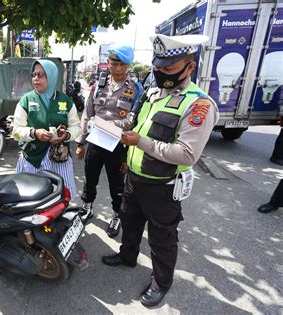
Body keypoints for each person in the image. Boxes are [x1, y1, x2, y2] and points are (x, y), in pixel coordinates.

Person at [101, 34, 219, 307]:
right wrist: (118, 134)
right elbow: (134, 124)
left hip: (163, 186)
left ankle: (161, 282)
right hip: (133, 177)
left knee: (162, 239)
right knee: (129, 220)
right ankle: (128, 256)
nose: (160, 73)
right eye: (158, 67)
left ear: (189, 67)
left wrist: (139, 142)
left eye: (168, 68)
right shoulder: (152, 94)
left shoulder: (198, 104)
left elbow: (187, 154)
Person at [75, 43, 141, 238]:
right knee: (90, 177)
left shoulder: (136, 89)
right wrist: (81, 143)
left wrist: (115, 126)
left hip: (118, 146)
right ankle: (87, 207)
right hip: (95, 143)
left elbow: (134, 120)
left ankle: (116, 215)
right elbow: (87, 114)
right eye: (114, 64)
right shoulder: (97, 87)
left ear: (128, 66)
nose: (118, 69)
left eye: (122, 65)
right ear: (108, 63)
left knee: (117, 184)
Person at [12, 59, 80, 197]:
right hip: (32, 159)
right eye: (34, 75)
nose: (36, 79)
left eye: (41, 75)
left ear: (52, 76)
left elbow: (76, 127)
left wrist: (66, 135)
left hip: (59, 160)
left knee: (60, 200)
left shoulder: (65, 101)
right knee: (29, 198)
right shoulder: (26, 100)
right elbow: (15, 132)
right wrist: (34, 133)